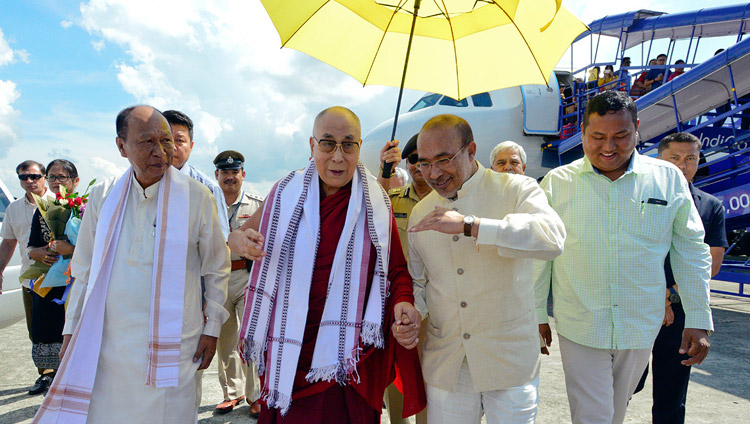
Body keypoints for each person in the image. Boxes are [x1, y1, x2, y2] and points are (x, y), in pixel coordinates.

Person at [32, 105, 230, 423]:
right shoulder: (102, 196)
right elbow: (83, 270)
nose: (160, 151)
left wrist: (213, 328)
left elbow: (216, 268)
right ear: (121, 146)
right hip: (111, 342)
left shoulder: (196, 196)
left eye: (166, 141)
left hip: (175, 344)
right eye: (147, 141)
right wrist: (71, 330)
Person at [228, 106, 426, 423]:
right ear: (311, 145)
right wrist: (237, 241)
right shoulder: (283, 194)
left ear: (360, 148)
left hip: (348, 356)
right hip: (291, 349)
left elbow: (396, 270)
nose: (337, 157)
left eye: (348, 144)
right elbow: (237, 236)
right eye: (328, 143)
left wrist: (403, 301)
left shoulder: (377, 203)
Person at [533, 91, 713, 424]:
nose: (608, 147)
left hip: (640, 325)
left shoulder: (668, 179)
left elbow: (691, 248)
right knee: (594, 416)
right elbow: (541, 252)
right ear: (583, 132)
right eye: (597, 137)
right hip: (580, 322)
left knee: (614, 412)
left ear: (638, 129)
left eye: (621, 136)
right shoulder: (558, 183)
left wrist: (698, 318)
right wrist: (535, 313)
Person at [407, 114, 566, 424]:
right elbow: (418, 282)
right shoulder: (420, 213)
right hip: (448, 362)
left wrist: (474, 226)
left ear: (471, 150)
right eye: (424, 163)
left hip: (509, 361)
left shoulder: (516, 189)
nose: (434, 173)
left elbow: (552, 239)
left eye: (444, 160)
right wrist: (410, 311)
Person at [638, 133, 727, 423]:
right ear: (658, 160)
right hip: (636, 303)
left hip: (679, 313)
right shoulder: (638, 198)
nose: (682, 165)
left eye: (690, 159)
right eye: (674, 158)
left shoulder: (710, 206)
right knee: (625, 383)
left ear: (699, 161)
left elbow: (710, 264)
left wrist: (670, 295)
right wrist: (655, 294)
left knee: (671, 393)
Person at [383, 133, 432, 424]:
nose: (418, 165)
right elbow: (368, 208)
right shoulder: (391, 200)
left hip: (439, 303)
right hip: (400, 301)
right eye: (412, 159)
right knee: (396, 372)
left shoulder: (453, 202)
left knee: (429, 376)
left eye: (424, 159)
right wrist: (384, 171)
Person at [212, 150, 264, 417]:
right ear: (216, 175)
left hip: (247, 276)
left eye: (235, 172)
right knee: (224, 337)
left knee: (251, 336)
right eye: (225, 172)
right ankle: (232, 393)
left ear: (243, 175)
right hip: (217, 279)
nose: (230, 177)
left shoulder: (257, 205)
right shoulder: (207, 203)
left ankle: (255, 395)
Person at [0, 160, 55, 395]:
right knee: (37, 330)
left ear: (44, 177)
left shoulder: (60, 203)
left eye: (34, 176)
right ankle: (45, 375)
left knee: (65, 327)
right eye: (23, 177)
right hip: (31, 280)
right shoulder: (14, 209)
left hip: (61, 278)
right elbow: (9, 243)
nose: (29, 181)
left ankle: (69, 372)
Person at [25, 159, 80, 395]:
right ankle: (48, 376)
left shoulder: (84, 208)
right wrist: (37, 252)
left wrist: (72, 251)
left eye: (62, 177)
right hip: (48, 279)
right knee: (45, 325)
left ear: (75, 181)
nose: (57, 182)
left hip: (77, 281)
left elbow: (100, 247)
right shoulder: (42, 209)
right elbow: (31, 246)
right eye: (52, 177)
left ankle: (76, 377)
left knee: (74, 327)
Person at [163, 109, 230, 240]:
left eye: (179, 140)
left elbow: (220, 243)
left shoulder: (209, 189)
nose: (172, 147)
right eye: (166, 140)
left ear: (191, 146)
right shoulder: (143, 183)